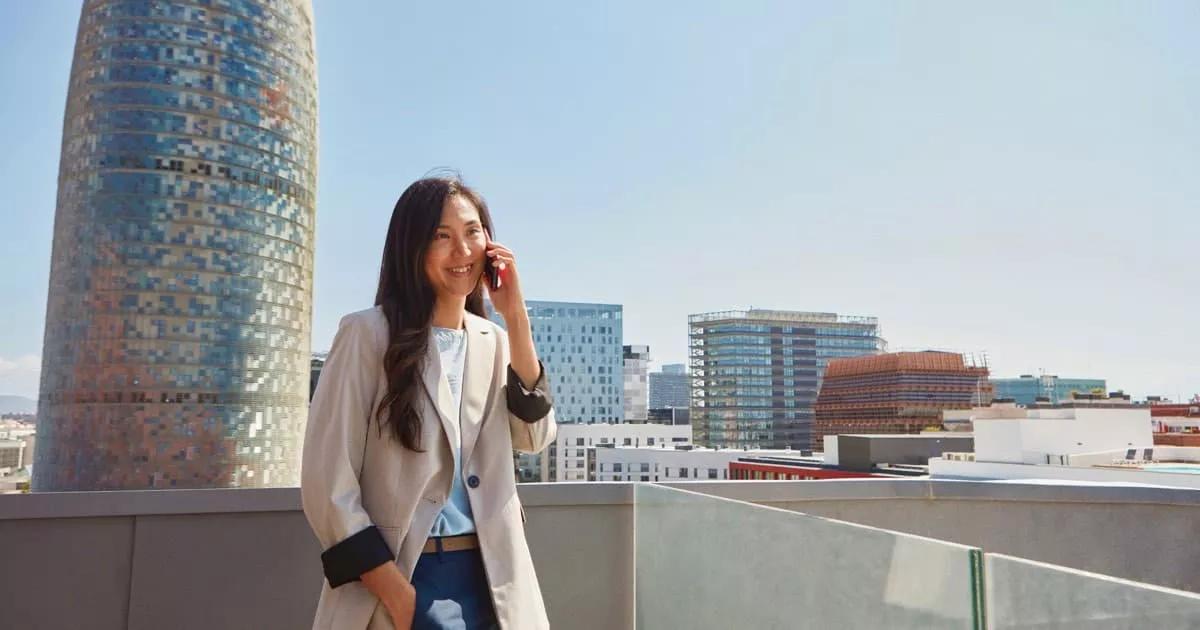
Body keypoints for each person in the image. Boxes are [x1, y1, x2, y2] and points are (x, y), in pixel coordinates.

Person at [301, 176, 557, 629]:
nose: (463, 251)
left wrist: (515, 316)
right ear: (412, 247)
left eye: (473, 232)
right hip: (405, 577)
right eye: (442, 236)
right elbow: (327, 483)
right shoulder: (367, 335)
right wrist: (399, 596)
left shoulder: (495, 342)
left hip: (497, 580)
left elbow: (534, 438)